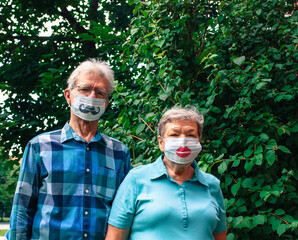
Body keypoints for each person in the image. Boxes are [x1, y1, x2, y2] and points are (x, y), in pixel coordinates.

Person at [6, 59, 131, 239]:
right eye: (85, 89)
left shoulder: (119, 152)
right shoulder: (39, 146)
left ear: (106, 104)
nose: (92, 96)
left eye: (100, 92)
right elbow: (21, 210)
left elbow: (123, 213)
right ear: (68, 96)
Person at [105, 106, 227, 240]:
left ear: (199, 140)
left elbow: (220, 237)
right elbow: (115, 237)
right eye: (174, 135)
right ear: (161, 142)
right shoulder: (136, 179)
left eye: (190, 135)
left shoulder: (212, 185)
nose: (183, 141)